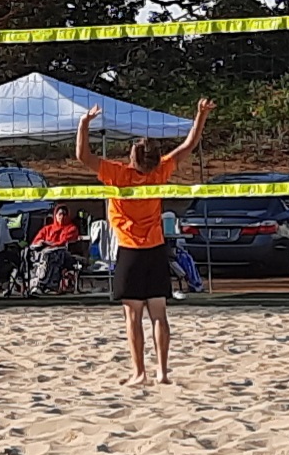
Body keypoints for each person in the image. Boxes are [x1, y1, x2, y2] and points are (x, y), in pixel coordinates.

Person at [76, 98, 215, 386]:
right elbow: (189, 145)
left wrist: (84, 124)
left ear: (133, 159)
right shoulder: (158, 172)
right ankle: (162, 372)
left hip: (130, 252)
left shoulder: (118, 174)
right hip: (154, 250)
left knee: (132, 317)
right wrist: (200, 115)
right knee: (158, 316)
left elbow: (82, 156)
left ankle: (140, 373)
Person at [28, 205, 80, 296]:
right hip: (43, 254)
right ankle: (34, 285)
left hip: (65, 254)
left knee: (55, 255)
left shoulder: (72, 228)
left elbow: (64, 242)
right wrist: (41, 244)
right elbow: (36, 241)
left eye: (64, 214)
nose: (62, 217)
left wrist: (49, 245)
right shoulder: (47, 229)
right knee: (29, 256)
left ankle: (48, 285)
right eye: (60, 214)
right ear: (55, 215)